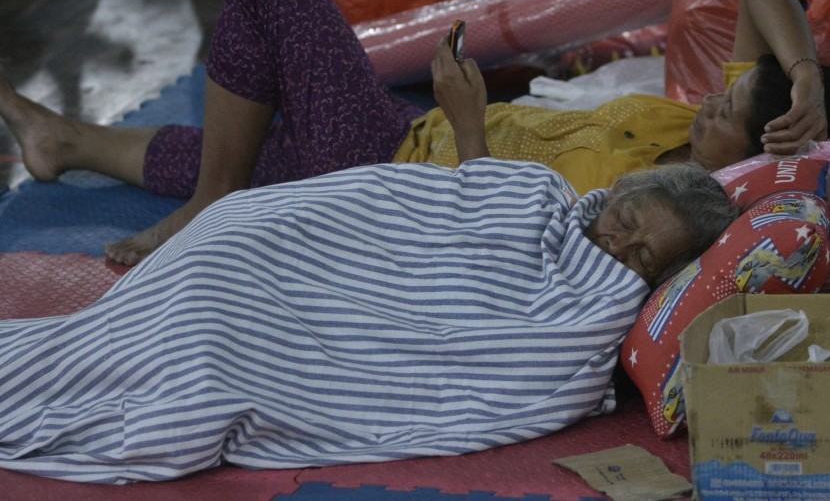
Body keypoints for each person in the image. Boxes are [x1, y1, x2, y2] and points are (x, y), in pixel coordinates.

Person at [0, 0, 824, 267]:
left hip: (397, 183)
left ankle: (210, 204)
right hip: (404, 139)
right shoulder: (691, 132)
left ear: (748, 155)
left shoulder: (660, 211)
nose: (711, 94)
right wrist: (804, 70)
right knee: (251, 147)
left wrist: (469, 123)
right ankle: (61, 139)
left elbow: (504, 254)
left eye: (727, 108)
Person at [0, 152, 739, 483]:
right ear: (623, 188)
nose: (618, 244)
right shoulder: (539, 193)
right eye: (629, 218)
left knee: (201, 365)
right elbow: (419, 207)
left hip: (267, 327)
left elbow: (517, 354)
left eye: (644, 258)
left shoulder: (595, 310)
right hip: (262, 245)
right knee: (197, 287)